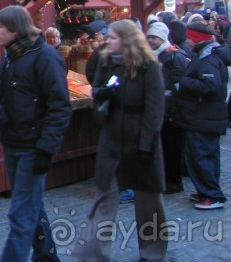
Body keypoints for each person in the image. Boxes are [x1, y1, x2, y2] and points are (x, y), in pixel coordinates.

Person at [0, 5, 72, 262]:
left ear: (15, 28)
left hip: (33, 146)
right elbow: (13, 99)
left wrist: (46, 148)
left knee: (21, 214)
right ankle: (46, 256)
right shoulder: (11, 55)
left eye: (0, 26)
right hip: (13, 141)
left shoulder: (45, 56)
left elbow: (59, 106)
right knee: (32, 206)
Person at [73, 19, 167, 262]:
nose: (107, 41)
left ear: (127, 40)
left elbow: (155, 109)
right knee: (105, 195)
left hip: (141, 138)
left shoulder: (149, 67)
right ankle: (91, 254)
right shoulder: (106, 63)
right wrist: (101, 95)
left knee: (149, 200)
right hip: (112, 138)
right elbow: (97, 95)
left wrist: (146, 145)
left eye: (113, 37)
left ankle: (152, 252)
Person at [173, 21, 228, 210]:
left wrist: (184, 82)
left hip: (204, 116)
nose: (186, 41)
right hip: (203, 116)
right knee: (203, 155)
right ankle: (206, 191)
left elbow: (211, 87)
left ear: (195, 39)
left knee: (202, 155)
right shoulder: (204, 56)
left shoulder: (208, 60)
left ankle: (213, 195)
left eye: (189, 38)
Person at [145, 20, 189, 194]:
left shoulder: (174, 56)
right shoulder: (153, 55)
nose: (151, 40)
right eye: (149, 36)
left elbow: (178, 84)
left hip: (171, 110)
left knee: (172, 147)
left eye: (154, 37)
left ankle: (174, 181)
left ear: (162, 37)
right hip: (159, 108)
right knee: (161, 145)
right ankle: (164, 179)